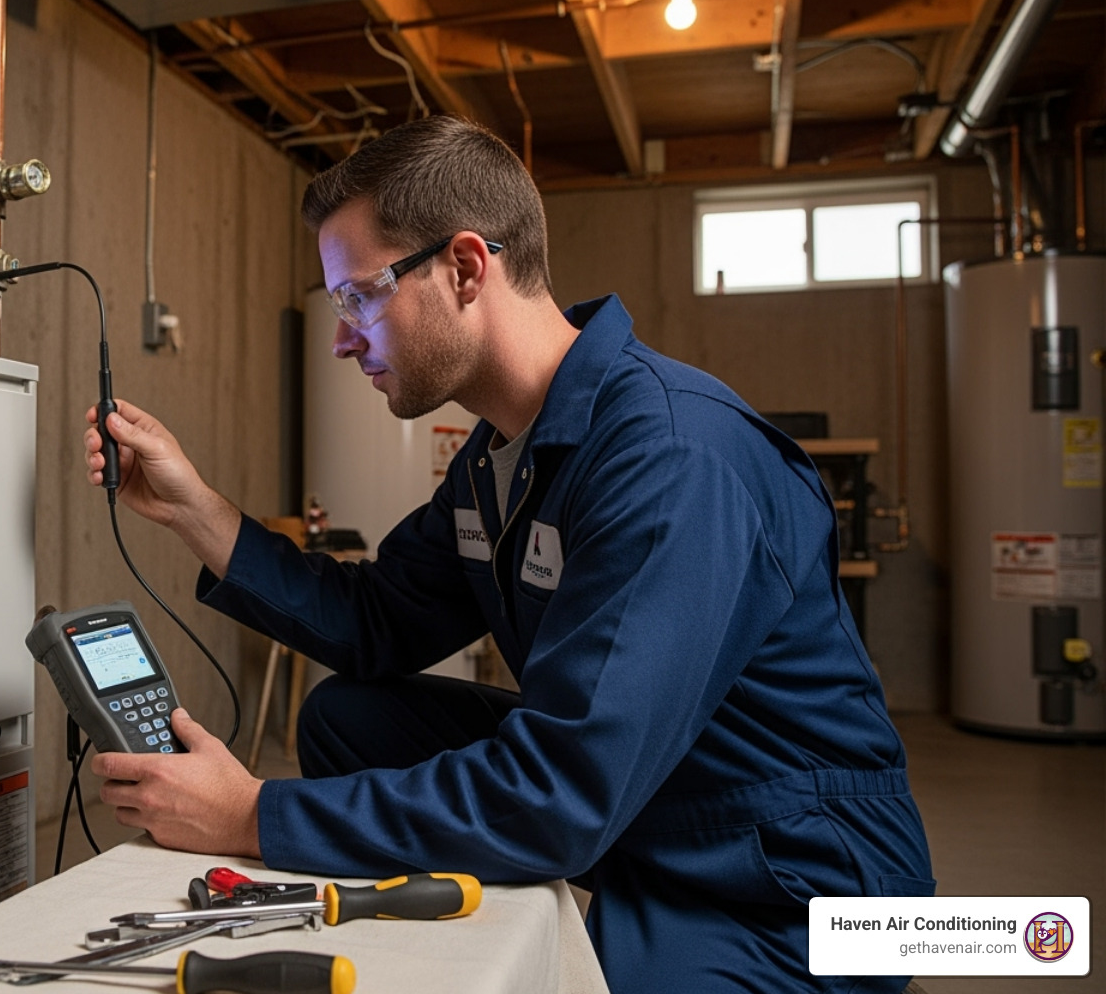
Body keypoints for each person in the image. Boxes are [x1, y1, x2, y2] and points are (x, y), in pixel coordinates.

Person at [83, 115, 933, 993]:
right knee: (349, 718)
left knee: (619, 946)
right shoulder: (503, 457)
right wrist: (197, 509)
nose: (342, 338)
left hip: (789, 874)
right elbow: (378, 621)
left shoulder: (670, 459)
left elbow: (563, 788)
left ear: (463, 268)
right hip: (654, 804)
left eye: (360, 296)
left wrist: (254, 816)